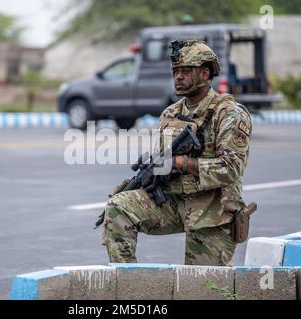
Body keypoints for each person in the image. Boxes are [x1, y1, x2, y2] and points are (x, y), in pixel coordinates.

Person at [101, 40, 255, 266]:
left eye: (185, 71)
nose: (178, 77)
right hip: (174, 202)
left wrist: (182, 163)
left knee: (201, 288)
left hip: (213, 211)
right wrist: (153, 173)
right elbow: (164, 161)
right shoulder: (171, 113)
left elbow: (231, 170)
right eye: (176, 72)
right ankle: (128, 282)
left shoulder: (230, 113)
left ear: (204, 74)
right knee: (118, 206)